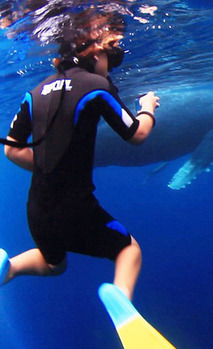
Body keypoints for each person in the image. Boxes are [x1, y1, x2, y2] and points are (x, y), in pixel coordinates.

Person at [0, 28, 158, 301]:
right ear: (96, 52)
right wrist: (148, 107)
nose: (110, 64)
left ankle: (7, 268)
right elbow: (137, 135)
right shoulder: (96, 86)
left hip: (37, 209)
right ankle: (123, 304)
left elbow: (11, 151)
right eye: (110, 56)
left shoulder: (35, 91)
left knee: (53, 264)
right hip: (74, 207)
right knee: (128, 250)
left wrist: (52, 169)